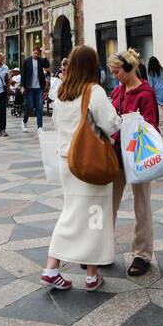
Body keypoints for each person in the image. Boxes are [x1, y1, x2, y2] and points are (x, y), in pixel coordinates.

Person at [42, 46, 121, 292]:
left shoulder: (63, 93)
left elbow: (56, 124)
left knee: (72, 212)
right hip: (90, 162)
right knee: (94, 217)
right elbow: (111, 124)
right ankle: (87, 275)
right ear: (91, 66)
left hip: (67, 162)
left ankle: (55, 268)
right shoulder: (94, 91)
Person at [108, 48, 158, 278]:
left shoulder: (145, 93)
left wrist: (131, 128)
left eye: (116, 71)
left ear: (128, 69)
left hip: (138, 157)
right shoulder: (117, 91)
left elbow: (151, 127)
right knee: (108, 204)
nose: (114, 75)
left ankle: (142, 254)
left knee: (142, 206)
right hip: (115, 155)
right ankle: (102, 248)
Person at [19, 46, 49, 132]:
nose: (36, 55)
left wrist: (44, 54)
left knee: (39, 106)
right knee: (30, 106)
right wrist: (22, 86)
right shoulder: (26, 61)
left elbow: (47, 65)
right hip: (29, 88)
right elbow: (23, 74)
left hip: (39, 87)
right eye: (34, 53)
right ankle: (24, 121)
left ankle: (39, 127)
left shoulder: (40, 61)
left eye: (37, 53)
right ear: (32, 52)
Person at [146, 56, 163, 125]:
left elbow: (150, 83)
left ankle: (154, 118)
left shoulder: (150, 72)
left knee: (154, 105)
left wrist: (149, 90)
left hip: (155, 90)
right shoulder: (162, 69)